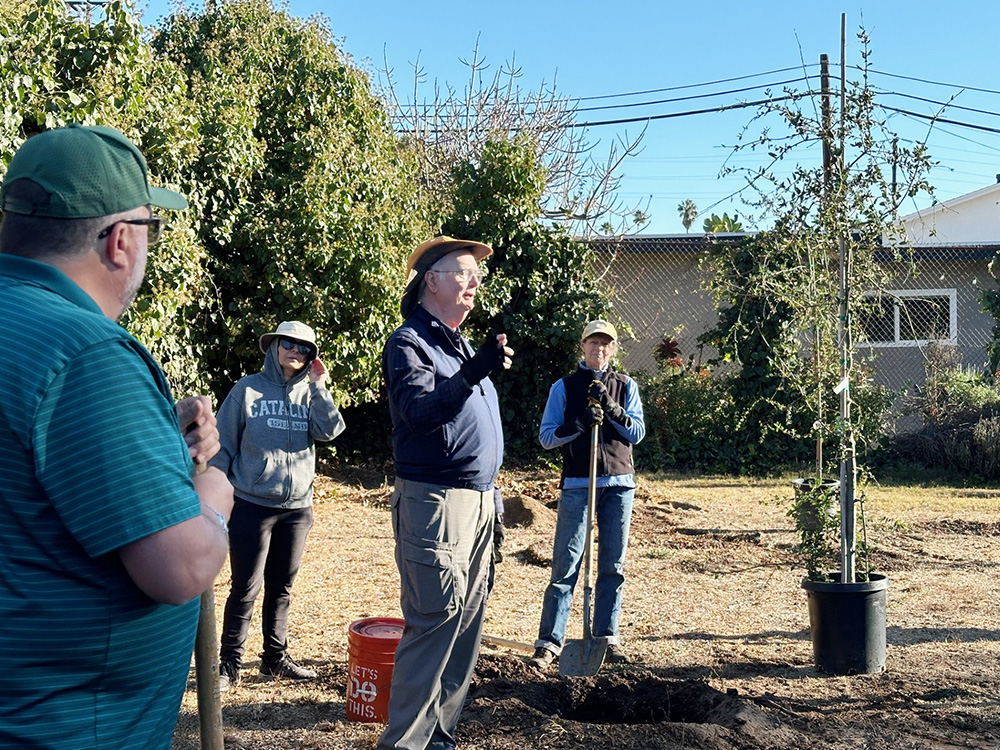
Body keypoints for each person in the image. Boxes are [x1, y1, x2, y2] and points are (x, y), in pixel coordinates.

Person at [0, 123, 234, 749]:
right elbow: (179, 567)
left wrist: (160, 442)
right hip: (63, 729)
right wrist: (213, 493)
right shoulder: (85, 353)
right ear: (120, 240)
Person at [378, 235, 513, 750]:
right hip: (435, 504)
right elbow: (419, 412)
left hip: (479, 502)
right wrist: (475, 370)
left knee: (466, 630)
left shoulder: (455, 345)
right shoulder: (409, 343)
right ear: (431, 279)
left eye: (475, 274)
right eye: (463, 272)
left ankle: (439, 739)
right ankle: (405, 744)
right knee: (434, 625)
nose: (475, 281)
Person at [211, 320, 345, 690]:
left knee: (282, 587)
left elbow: (331, 431)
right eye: (289, 343)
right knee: (245, 586)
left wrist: (320, 386)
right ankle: (229, 665)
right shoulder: (248, 389)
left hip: (297, 508)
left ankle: (274, 659)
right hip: (251, 505)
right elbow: (222, 448)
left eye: (305, 348)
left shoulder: (310, 393)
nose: (296, 352)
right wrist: (217, 500)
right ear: (274, 346)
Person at [528, 319, 645, 670]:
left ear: (613, 349)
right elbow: (547, 437)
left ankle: (606, 638)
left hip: (619, 485)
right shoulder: (564, 388)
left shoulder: (626, 385)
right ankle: (549, 642)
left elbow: (637, 432)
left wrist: (612, 409)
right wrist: (578, 425)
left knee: (612, 565)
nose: (599, 348)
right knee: (566, 565)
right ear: (583, 347)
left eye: (606, 343)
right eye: (593, 342)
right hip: (579, 485)